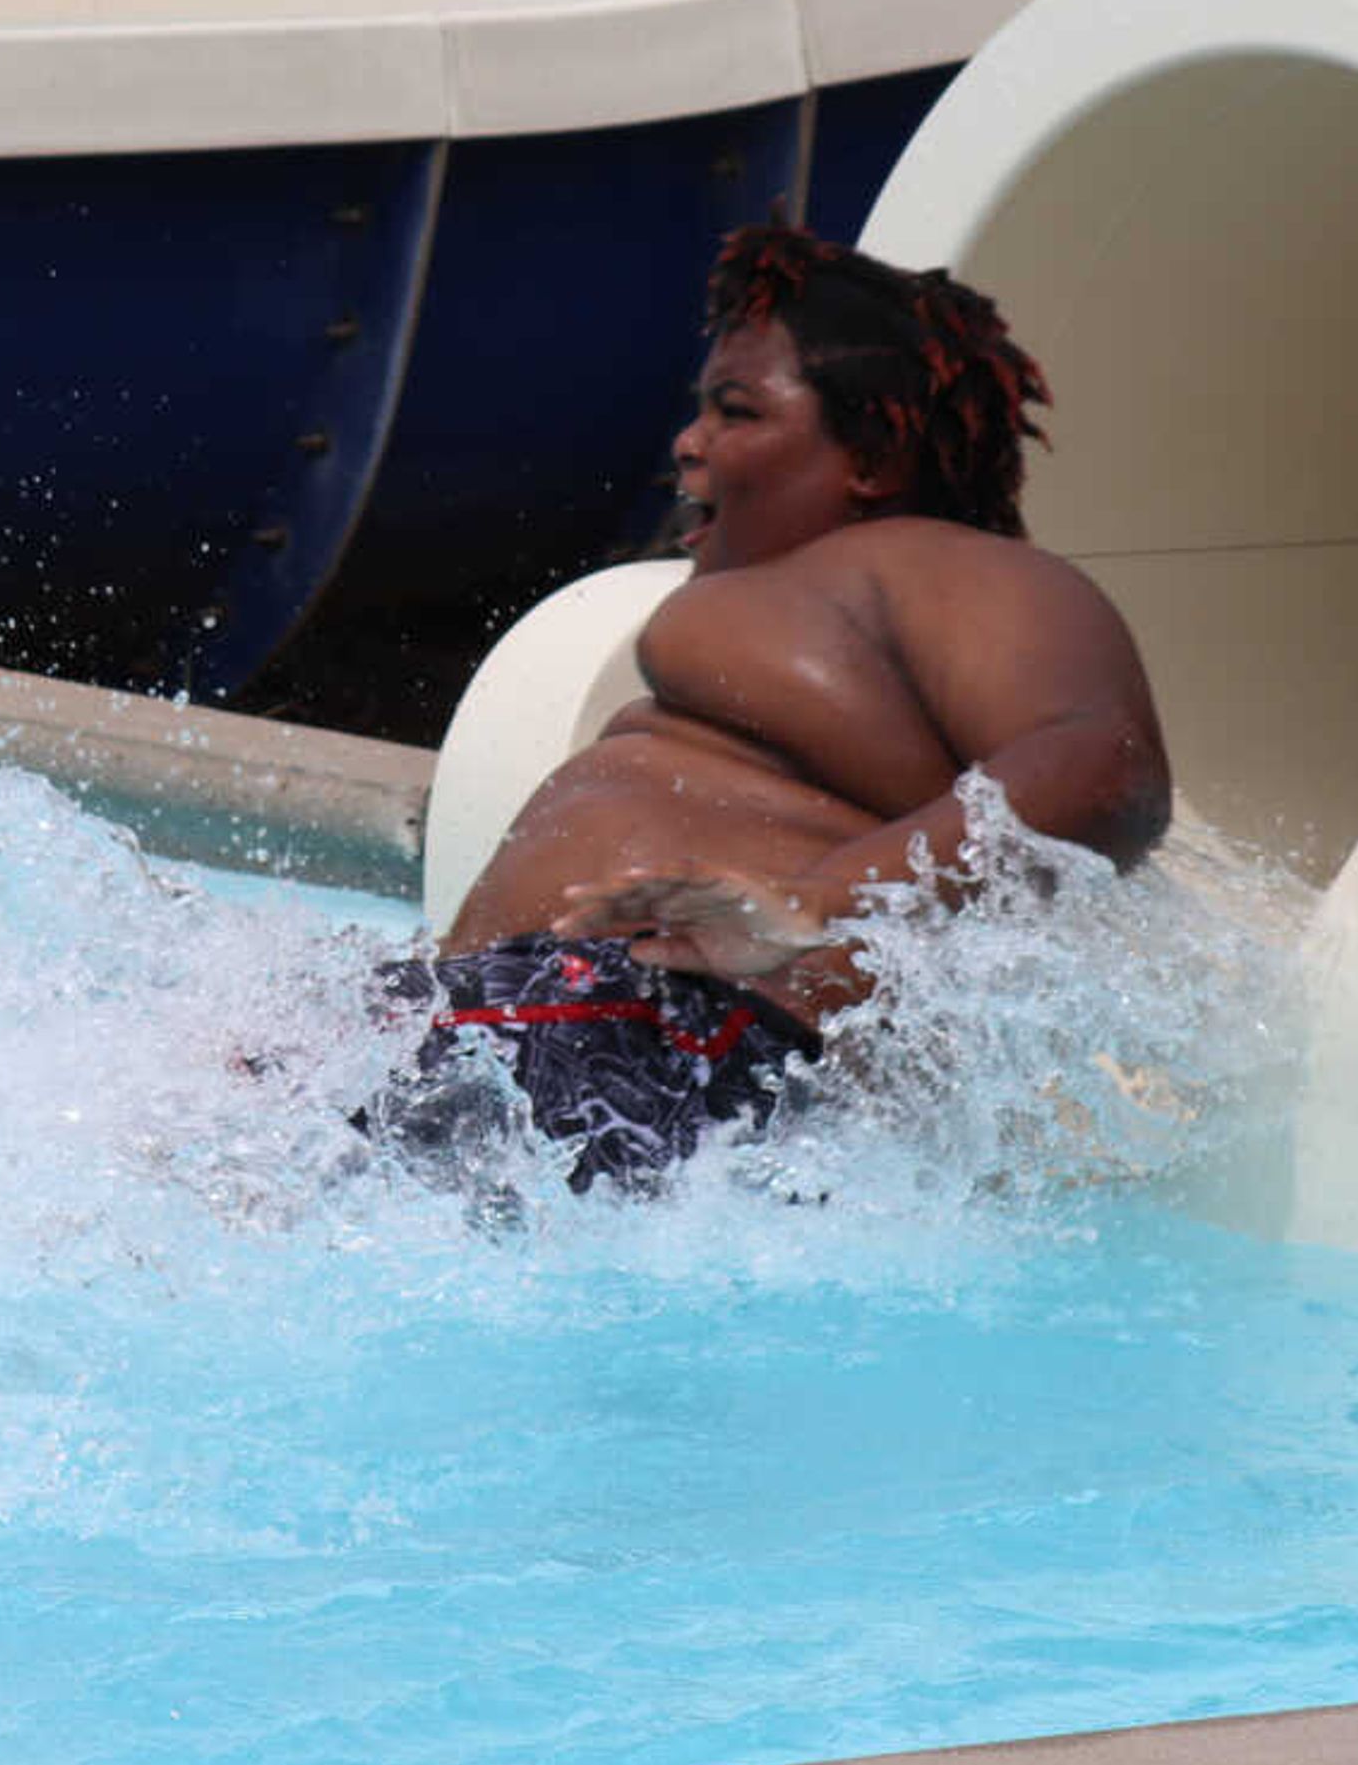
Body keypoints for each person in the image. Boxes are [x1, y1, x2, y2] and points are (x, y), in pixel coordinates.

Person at [370, 223, 1171, 1189]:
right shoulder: (811, 599)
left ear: (870, 457)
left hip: (655, 1022)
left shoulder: (948, 566)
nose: (689, 442)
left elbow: (1103, 766)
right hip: (520, 1020)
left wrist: (810, 902)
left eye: (737, 413)